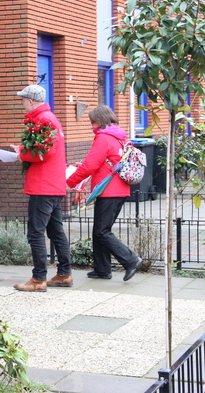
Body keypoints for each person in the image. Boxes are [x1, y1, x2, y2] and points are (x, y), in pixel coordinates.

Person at [66, 105, 143, 281]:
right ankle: (102, 269)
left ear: (99, 121)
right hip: (120, 189)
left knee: (102, 232)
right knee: (99, 231)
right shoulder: (119, 138)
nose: (91, 125)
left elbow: (90, 166)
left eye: (92, 122)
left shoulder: (104, 138)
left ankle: (130, 260)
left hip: (108, 191)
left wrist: (70, 181)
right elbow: (105, 163)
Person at [10, 84, 72, 292]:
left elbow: (45, 151)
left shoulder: (44, 120)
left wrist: (21, 155)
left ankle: (38, 279)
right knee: (56, 231)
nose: (21, 103)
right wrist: (22, 149)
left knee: (36, 233)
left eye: (23, 100)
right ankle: (64, 274)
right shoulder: (48, 118)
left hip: (43, 186)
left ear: (31, 101)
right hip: (52, 184)